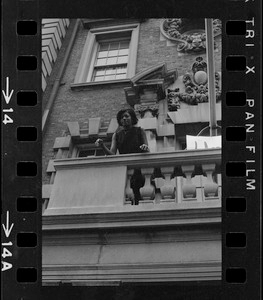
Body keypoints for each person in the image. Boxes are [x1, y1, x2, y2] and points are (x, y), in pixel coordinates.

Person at [95, 108, 149, 205]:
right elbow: (112, 154)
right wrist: (102, 146)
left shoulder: (140, 131)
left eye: (126, 116)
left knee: (138, 196)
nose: (124, 119)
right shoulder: (116, 135)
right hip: (124, 169)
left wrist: (144, 148)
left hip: (138, 169)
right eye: (121, 117)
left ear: (132, 118)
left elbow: (147, 149)